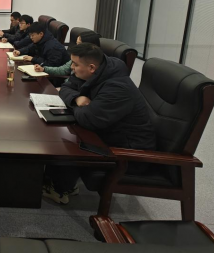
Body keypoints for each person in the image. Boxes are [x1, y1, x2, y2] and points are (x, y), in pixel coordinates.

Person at [43, 43, 156, 204]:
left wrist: (75, 103)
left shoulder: (117, 88)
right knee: (61, 131)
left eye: (75, 64)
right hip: (109, 134)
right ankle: (60, 183)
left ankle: (60, 189)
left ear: (91, 67)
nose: (72, 68)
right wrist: (77, 99)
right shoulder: (97, 72)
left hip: (128, 153)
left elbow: (87, 118)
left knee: (67, 139)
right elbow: (67, 86)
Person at [35, 30, 100, 76]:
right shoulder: (77, 56)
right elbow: (63, 70)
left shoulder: (94, 64)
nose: (72, 67)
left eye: (79, 44)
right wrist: (44, 69)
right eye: (76, 43)